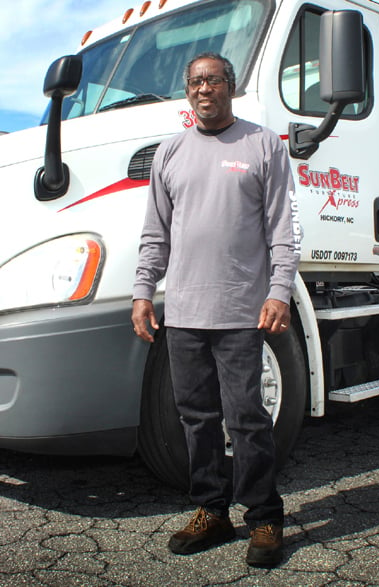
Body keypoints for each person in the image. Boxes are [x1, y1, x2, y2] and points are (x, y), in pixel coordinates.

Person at [132, 52, 301, 568]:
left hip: (240, 311)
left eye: (214, 80)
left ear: (230, 85)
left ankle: (265, 516)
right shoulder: (170, 152)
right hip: (183, 313)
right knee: (196, 418)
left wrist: (280, 291)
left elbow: (283, 231)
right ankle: (211, 509)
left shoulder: (262, 145)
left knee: (246, 417)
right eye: (196, 82)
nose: (205, 89)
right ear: (188, 92)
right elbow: (154, 233)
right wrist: (143, 291)